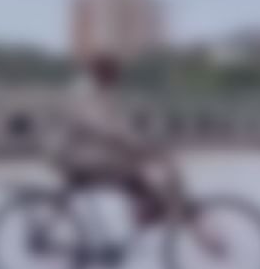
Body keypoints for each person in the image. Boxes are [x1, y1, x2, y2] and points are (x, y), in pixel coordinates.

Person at [52, 54, 171, 225]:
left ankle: (147, 206)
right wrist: (132, 143)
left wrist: (139, 141)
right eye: (113, 73)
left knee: (134, 165)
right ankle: (147, 208)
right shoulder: (82, 92)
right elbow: (99, 125)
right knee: (129, 169)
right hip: (76, 154)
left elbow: (117, 123)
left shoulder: (102, 91)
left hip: (88, 149)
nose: (116, 78)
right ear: (101, 72)